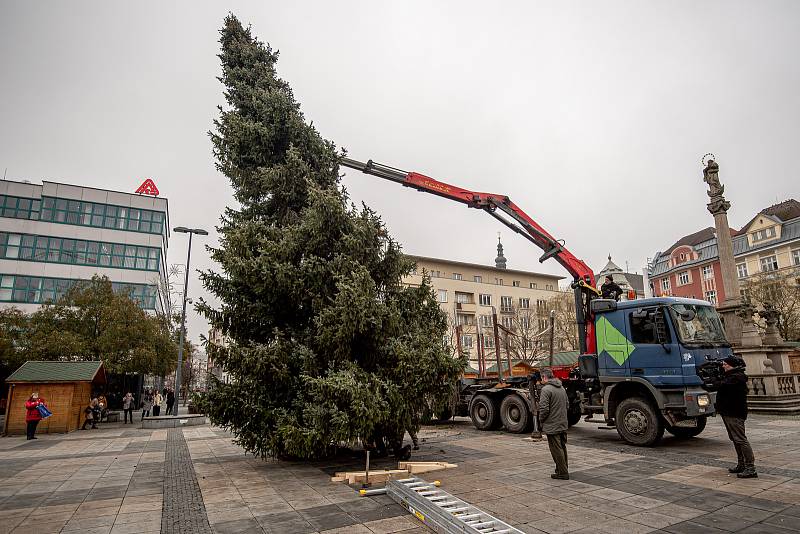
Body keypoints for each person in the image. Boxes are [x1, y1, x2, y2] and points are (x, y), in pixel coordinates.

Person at [709, 356, 757, 478]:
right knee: (736, 439)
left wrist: (714, 376)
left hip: (734, 412)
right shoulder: (732, 376)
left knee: (740, 439)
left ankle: (750, 468)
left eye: (725, 364)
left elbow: (717, 385)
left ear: (731, 365)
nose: (723, 366)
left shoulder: (736, 377)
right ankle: (741, 464)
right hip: (728, 412)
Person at [538, 368, 569, 480]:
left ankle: (562, 472)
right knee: (562, 447)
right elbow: (567, 405)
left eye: (541, 378)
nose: (541, 380)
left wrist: (541, 420)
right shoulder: (561, 388)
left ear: (544, 377)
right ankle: (562, 469)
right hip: (562, 423)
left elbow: (544, 409)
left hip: (552, 424)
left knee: (556, 449)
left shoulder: (546, 390)